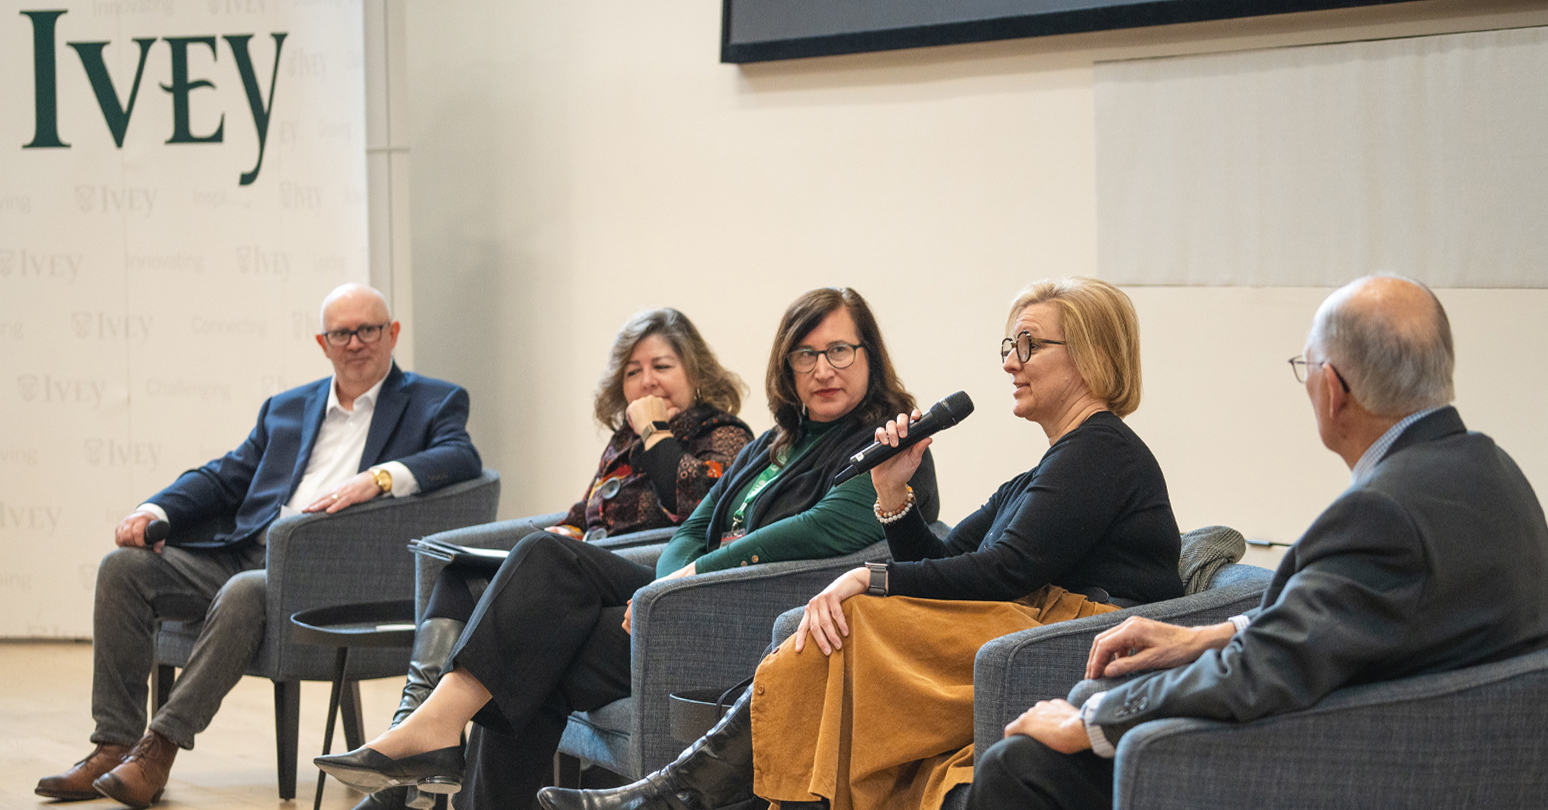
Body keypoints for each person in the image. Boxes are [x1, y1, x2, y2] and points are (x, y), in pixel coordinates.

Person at [538, 276, 1186, 810]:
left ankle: (672, 794)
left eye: (1029, 344)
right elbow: (946, 558)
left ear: (1091, 353)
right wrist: (893, 496)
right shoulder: (1046, 468)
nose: (1011, 361)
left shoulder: (1101, 452)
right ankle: (676, 794)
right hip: (1021, 631)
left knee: (851, 620)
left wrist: (869, 578)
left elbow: (1003, 572)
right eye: (1008, 345)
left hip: (1079, 644)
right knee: (836, 631)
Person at [315, 287, 941, 809]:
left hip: (742, 619)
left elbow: (819, 531)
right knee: (540, 593)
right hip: (686, 598)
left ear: (869, 356)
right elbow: (694, 525)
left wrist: (679, 585)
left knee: (538, 623)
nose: (823, 369)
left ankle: (431, 726)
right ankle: (435, 727)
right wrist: (667, 583)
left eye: (838, 351)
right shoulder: (780, 440)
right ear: (787, 366)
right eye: (806, 355)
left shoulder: (893, 439)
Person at [966, 275, 1548, 810]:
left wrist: (1093, 718)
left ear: (1332, 389)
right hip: (1434, 747)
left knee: (1024, 765)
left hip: (1330, 762)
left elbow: (1266, 671)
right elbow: (1364, 617)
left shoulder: (1381, 514)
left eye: (1307, 368)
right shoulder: (1495, 473)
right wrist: (1213, 633)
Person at [36, 283, 483, 809]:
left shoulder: (433, 400)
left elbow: (463, 458)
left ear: (393, 334)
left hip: (329, 571)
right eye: (342, 332)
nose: (356, 342)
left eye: (369, 329)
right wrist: (155, 510)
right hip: (253, 549)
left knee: (247, 592)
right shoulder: (288, 408)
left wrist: (380, 479)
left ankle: (157, 751)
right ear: (323, 342)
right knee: (123, 568)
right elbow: (228, 477)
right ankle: (113, 746)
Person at [359, 307, 754, 810]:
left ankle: (415, 756)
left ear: (696, 374)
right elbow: (581, 513)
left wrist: (656, 432)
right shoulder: (620, 444)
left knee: (543, 572)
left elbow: (700, 506)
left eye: (662, 366)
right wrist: (557, 536)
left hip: (646, 579)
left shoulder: (724, 433)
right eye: (633, 372)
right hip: (585, 576)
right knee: (463, 573)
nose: (646, 380)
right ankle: (416, 728)